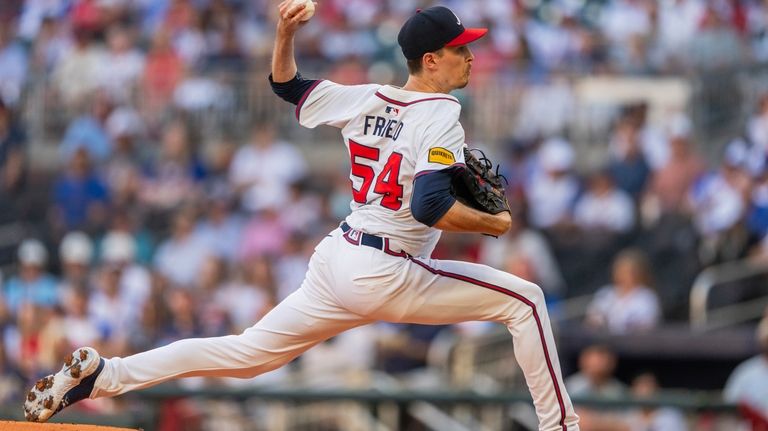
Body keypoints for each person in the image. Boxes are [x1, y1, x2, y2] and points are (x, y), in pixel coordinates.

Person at [23, 4, 580, 430]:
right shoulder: (442, 114)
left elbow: (286, 84)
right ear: (431, 60)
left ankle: (107, 374)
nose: (472, 56)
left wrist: (285, 33)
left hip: (339, 257)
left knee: (245, 355)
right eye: (461, 49)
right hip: (388, 267)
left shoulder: (366, 97)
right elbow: (429, 205)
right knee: (525, 300)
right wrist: (494, 224)